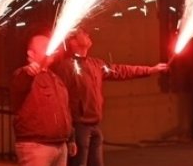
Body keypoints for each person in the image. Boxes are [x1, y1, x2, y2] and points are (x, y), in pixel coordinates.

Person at [52, 27, 168, 166]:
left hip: (95, 126)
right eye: (82, 33)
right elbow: (61, 102)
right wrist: (71, 136)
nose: (87, 34)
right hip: (79, 128)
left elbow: (121, 70)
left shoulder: (96, 64)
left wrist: (150, 70)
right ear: (73, 42)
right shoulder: (66, 67)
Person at [10, 34, 75, 166]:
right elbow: (20, 84)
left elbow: (65, 109)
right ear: (31, 53)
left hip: (60, 146)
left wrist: (71, 138)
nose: (52, 49)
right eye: (45, 46)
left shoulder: (55, 78)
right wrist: (28, 72)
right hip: (36, 147)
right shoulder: (22, 74)